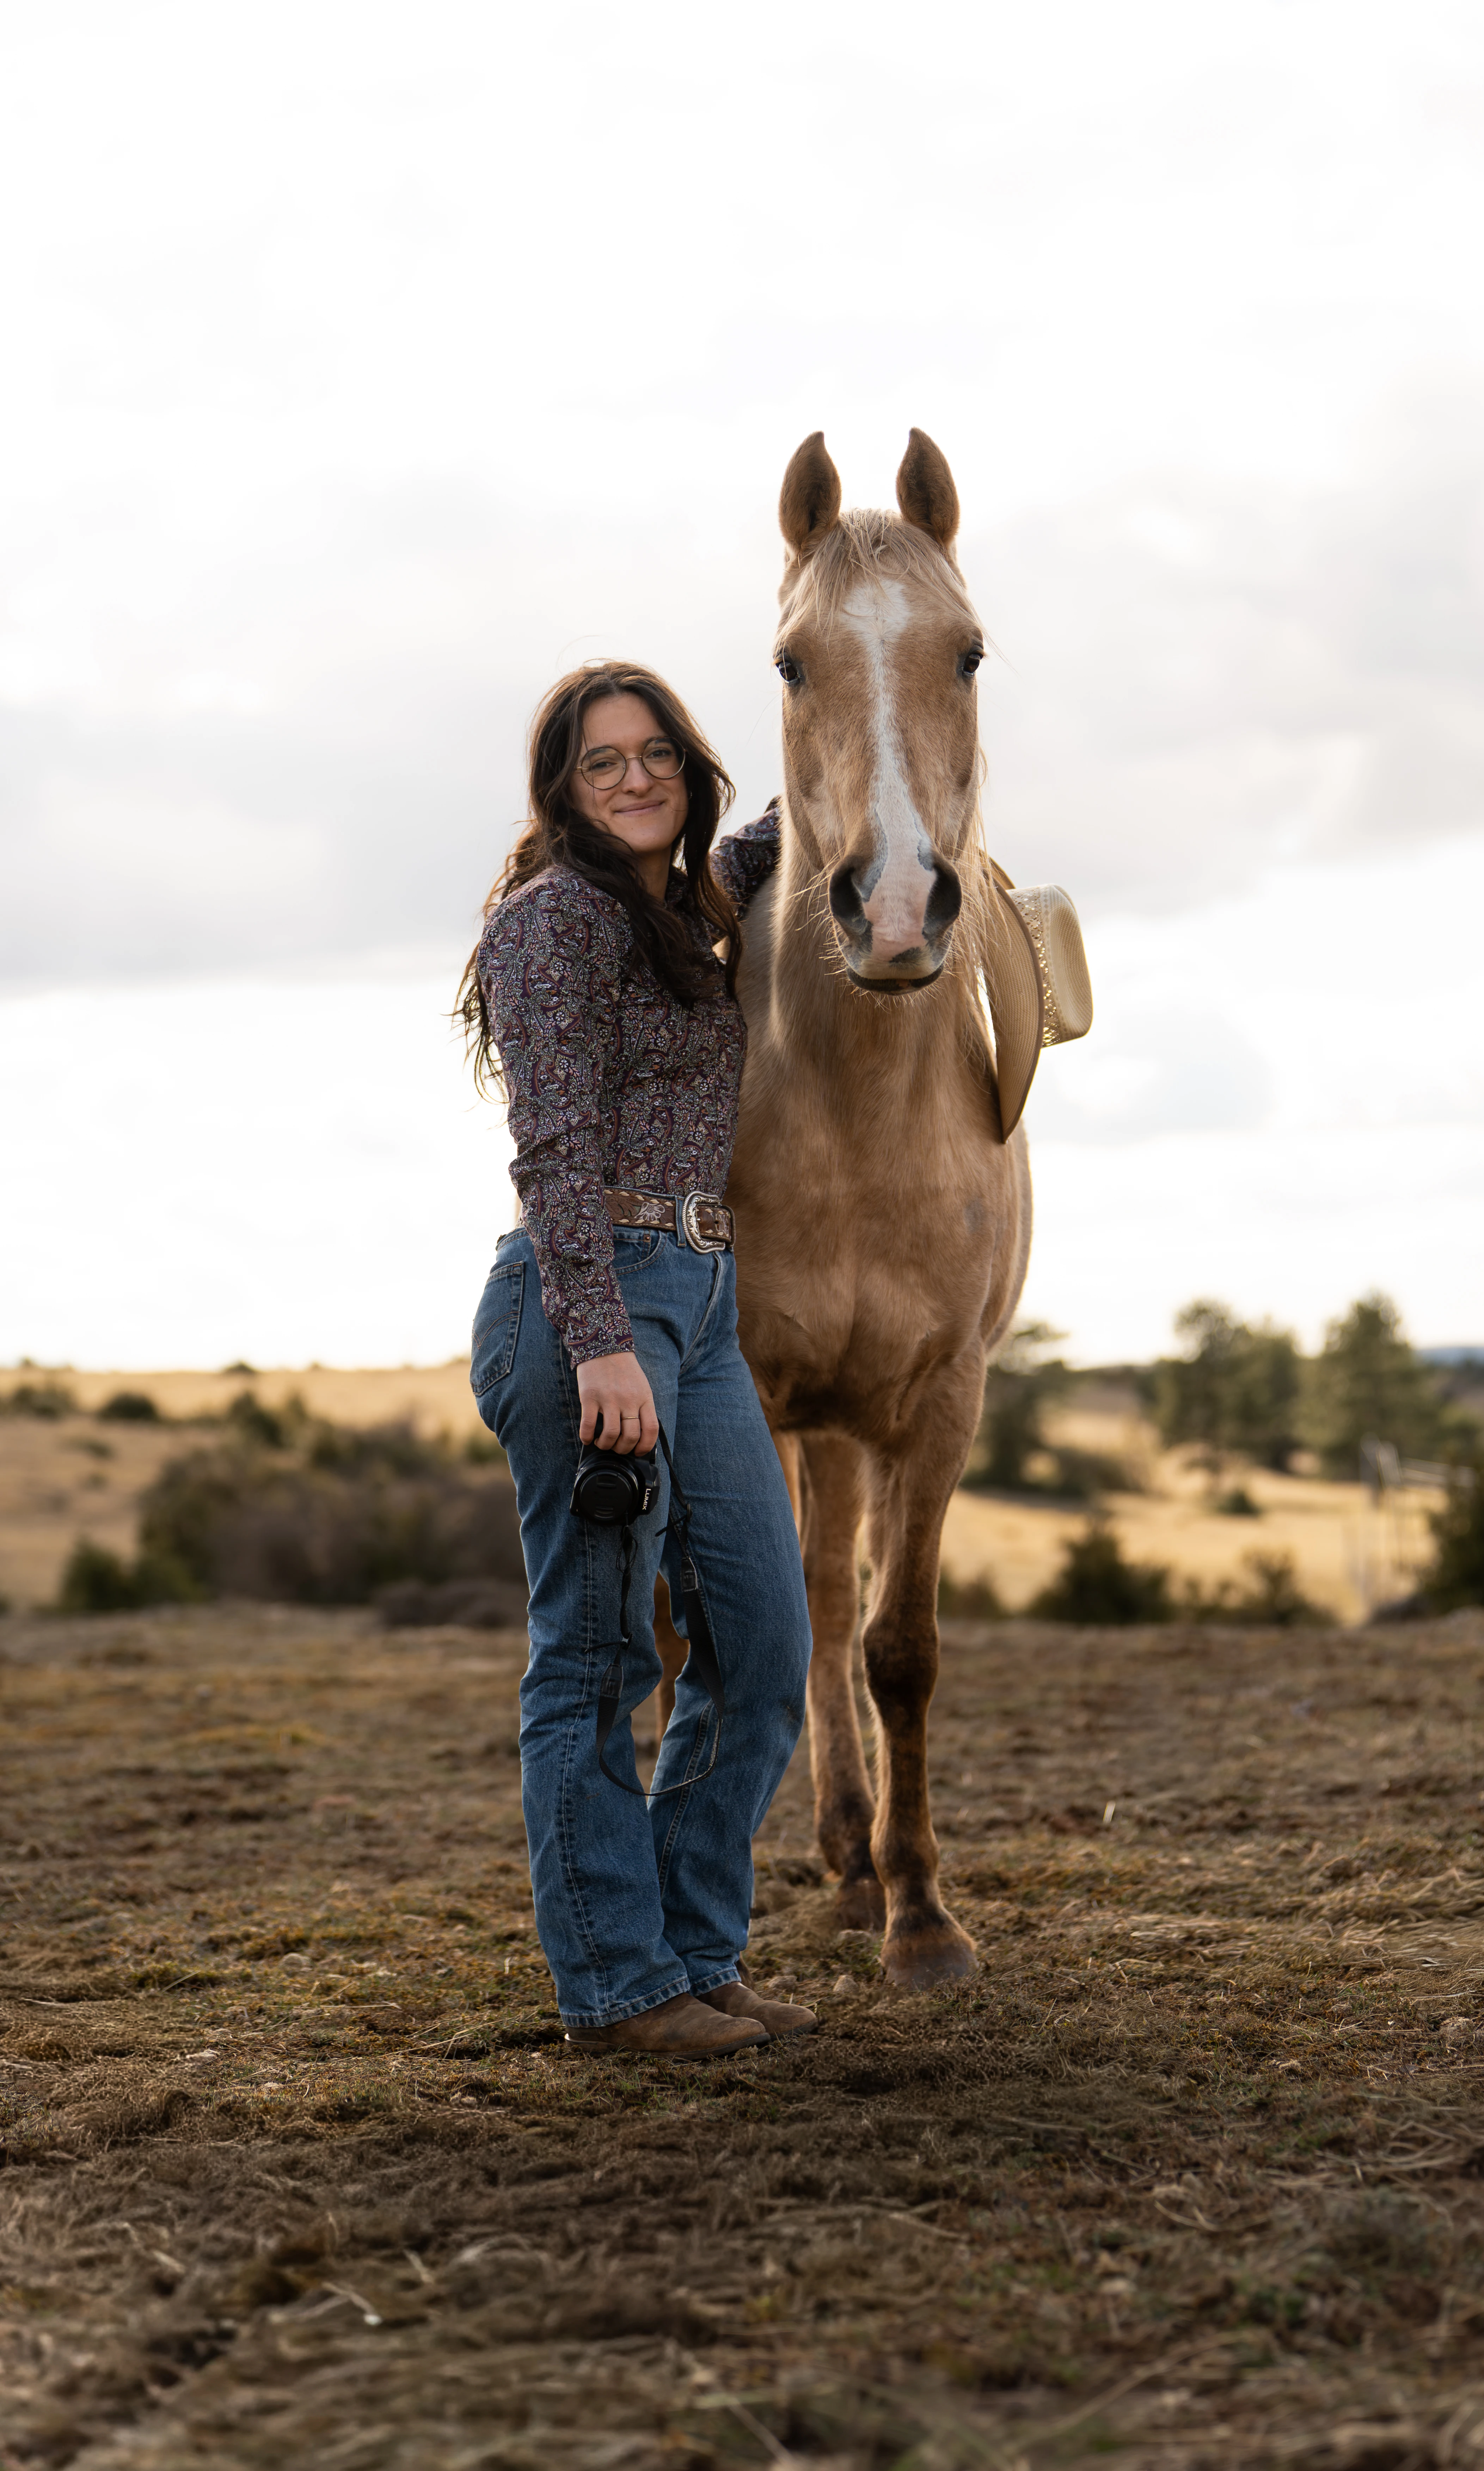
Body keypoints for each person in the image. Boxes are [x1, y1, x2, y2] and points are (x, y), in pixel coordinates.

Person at [457, 660, 814, 2058]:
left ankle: (689, 1953)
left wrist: (876, 738)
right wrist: (601, 1344)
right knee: (597, 1663)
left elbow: (802, 819)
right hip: (584, 1307)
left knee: (765, 1646)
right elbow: (548, 1148)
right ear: (564, 790)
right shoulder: (554, 924)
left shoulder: (685, 907)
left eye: (655, 751)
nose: (634, 778)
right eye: (601, 762)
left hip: (705, 1300)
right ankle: (617, 1989)